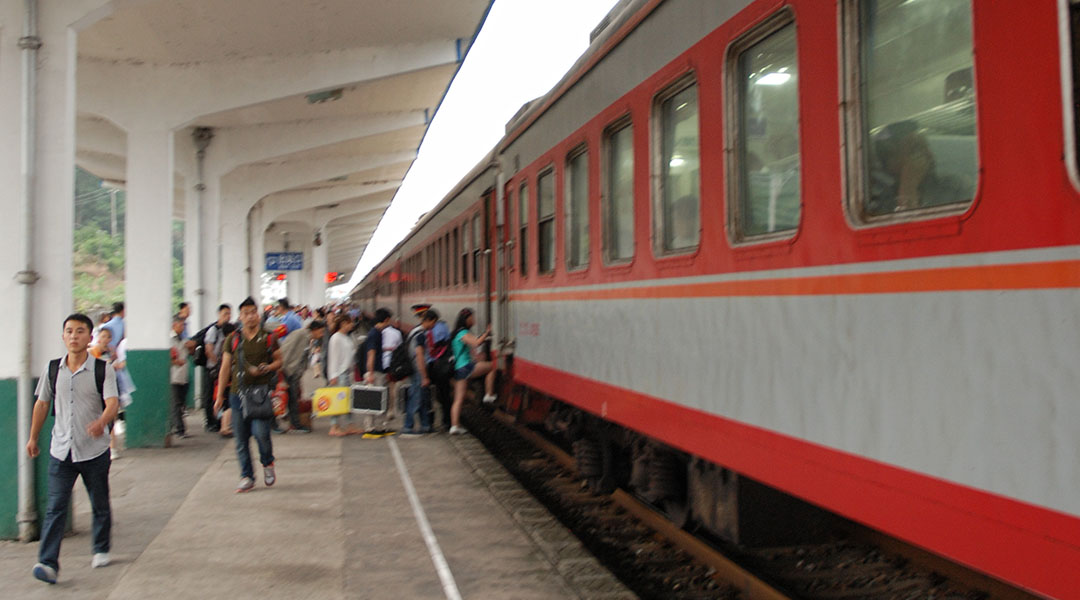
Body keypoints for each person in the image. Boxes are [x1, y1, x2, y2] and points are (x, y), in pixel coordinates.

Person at [26, 313, 120, 584]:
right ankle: (47, 563)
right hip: (61, 450)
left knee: (99, 502)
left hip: (94, 450)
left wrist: (102, 421)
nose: (74, 336)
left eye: (80, 331)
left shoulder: (103, 369)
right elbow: (42, 404)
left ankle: (101, 547)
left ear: (89, 337)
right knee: (55, 507)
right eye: (69, 331)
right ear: (63, 336)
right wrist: (33, 438)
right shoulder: (53, 369)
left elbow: (112, 402)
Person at [214, 297, 282, 493]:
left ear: (258, 315)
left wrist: (268, 367)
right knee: (241, 438)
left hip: (261, 395)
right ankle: (247, 476)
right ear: (240, 316)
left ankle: (267, 463)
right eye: (246, 313)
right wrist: (220, 396)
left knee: (261, 434)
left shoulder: (269, 337)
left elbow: (279, 361)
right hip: (237, 395)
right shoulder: (233, 339)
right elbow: (225, 368)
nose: (250, 316)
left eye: (253, 312)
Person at [869, 119, 969, 214]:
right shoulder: (880, 200)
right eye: (916, 150)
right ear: (891, 163)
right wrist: (908, 187)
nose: (928, 155)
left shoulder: (955, 188)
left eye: (926, 147)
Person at [448, 308, 497, 435]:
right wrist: (487, 332)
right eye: (472, 317)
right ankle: (489, 395)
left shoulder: (456, 333)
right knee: (492, 366)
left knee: (458, 399)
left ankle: (454, 426)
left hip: (459, 368)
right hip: (466, 367)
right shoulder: (463, 332)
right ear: (467, 319)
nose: (474, 320)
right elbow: (476, 343)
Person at [279, 319, 326, 433]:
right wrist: (281, 373)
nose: (322, 334)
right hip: (288, 371)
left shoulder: (309, 339)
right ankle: (295, 425)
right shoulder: (300, 334)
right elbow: (286, 351)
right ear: (314, 330)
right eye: (321, 331)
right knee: (291, 399)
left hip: (295, 374)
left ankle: (294, 423)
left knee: (294, 398)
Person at [361, 308, 398, 436]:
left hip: (378, 371)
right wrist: (370, 373)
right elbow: (371, 354)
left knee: (380, 399)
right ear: (386, 320)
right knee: (373, 400)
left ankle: (380, 426)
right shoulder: (374, 334)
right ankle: (370, 427)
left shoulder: (377, 333)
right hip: (375, 372)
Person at [402, 305, 435, 435]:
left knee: (423, 398)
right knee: (415, 398)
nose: (434, 325)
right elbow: (419, 356)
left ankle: (425, 425)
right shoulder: (420, 335)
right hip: (418, 371)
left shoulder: (415, 331)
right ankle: (407, 426)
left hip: (415, 369)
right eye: (434, 322)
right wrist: (424, 376)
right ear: (429, 320)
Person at [202, 304, 232, 432]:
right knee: (209, 396)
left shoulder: (227, 330)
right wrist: (218, 365)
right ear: (219, 314)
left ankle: (220, 421)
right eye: (225, 313)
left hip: (222, 368)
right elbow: (209, 350)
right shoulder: (213, 330)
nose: (228, 316)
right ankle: (210, 422)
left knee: (221, 395)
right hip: (212, 369)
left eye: (229, 313)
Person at [327, 315, 358, 436]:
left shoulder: (346, 337)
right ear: (344, 323)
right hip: (339, 373)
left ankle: (350, 425)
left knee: (348, 400)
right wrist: (333, 375)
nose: (352, 325)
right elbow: (333, 358)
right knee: (337, 400)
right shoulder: (336, 338)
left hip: (346, 372)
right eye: (350, 323)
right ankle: (334, 426)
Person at [424, 311, 453, 432]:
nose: (424, 324)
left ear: (432, 320)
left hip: (435, 365)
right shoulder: (441, 327)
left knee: (433, 394)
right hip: (439, 364)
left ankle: (433, 422)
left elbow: (436, 347)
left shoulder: (438, 329)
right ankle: (446, 421)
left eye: (425, 321)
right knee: (443, 394)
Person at [169, 316, 190, 439]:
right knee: (176, 403)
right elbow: (169, 358)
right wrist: (176, 361)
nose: (183, 328)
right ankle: (179, 429)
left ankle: (175, 426)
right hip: (174, 375)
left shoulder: (183, 339)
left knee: (180, 403)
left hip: (182, 375)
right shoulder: (169, 340)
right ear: (174, 325)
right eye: (181, 325)